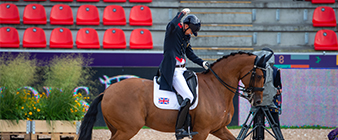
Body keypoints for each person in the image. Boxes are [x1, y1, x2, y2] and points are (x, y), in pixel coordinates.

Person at [158, 8, 209, 140]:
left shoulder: (186, 37)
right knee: (188, 97)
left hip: (183, 69)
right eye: (191, 30)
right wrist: (181, 14)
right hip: (173, 71)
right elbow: (171, 25)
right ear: (186, 25)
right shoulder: (173, 31)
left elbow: (190, 54)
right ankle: (179, 129)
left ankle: (189, 124)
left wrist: (202, 63)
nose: (191, 33)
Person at [252, 48, 283, 140]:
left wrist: (277, 90)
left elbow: (278, 86)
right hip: (259, 101)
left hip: (271, 101)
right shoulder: (256, 71)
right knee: (258, 126)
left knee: (275, 125)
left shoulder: (275, 70)